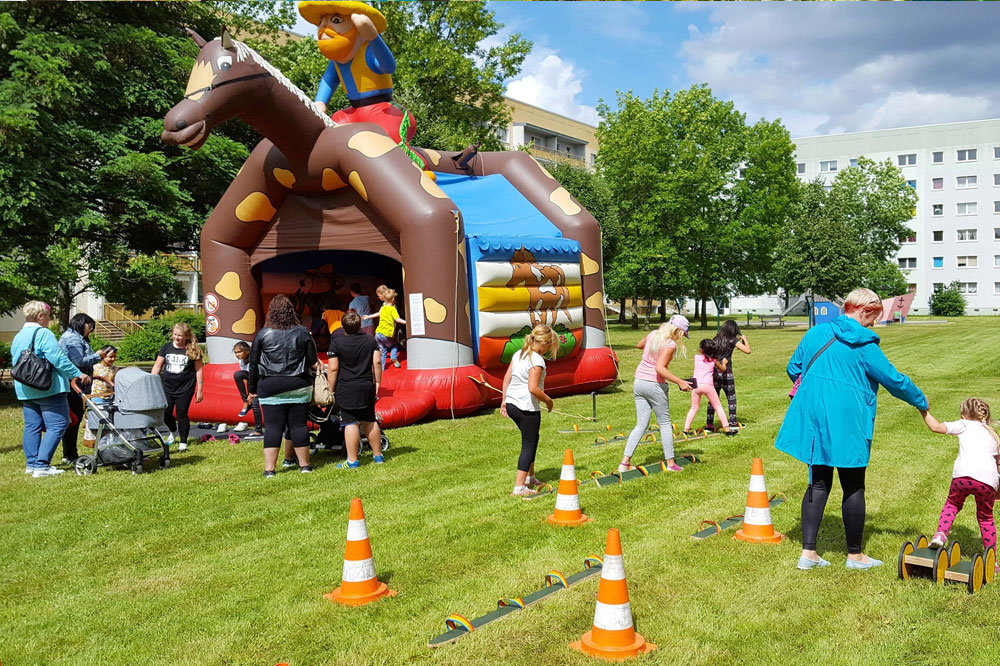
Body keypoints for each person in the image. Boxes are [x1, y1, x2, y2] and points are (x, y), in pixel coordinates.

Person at [774, 287, 927, 571]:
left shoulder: (814, 334)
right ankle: (855, 556)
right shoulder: (866, 345)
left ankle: (808, 554)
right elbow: (895, 380)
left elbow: (794, 368)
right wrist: (922, 403)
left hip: (815, 416)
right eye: (874, 318)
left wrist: (817, 386)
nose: (874, 324)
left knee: (818, 480)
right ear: (864, 310)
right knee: (853, 483)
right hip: (849, 418)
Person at [12, 301, 89, 477]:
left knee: (32, 426)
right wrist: (77, 373)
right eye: (48, 316)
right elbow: (58, 359)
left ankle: (32, 463)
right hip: (47, 387)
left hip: (25, 388)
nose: (49, 319)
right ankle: (42, 465)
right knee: (59, 423)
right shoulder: (43, 333)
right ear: (40, 316)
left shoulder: (19, 335)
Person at [247, 294, 318, 478]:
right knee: (299, 425)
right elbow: (312, 360)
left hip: (270, 385)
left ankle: (270, 469)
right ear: (291, 312)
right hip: (299, 384)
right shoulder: (302, 332)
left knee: (272, 427)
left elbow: (253, 365)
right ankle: (305, 466)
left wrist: (252, 390)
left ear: (271, 312)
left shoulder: (263, 334)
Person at [922, 399, 1000, 559]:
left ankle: (940, 535)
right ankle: (992, 560)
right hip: (987, 481)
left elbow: (935, 427)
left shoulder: (963, 425)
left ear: (964, 414)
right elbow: (998, 465)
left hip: (962, 477)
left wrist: (923, 410)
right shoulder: (993, 435)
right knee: (986, 517)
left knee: (952, 504)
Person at [619, 315, 693, 474]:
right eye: (682, 334)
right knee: (665, 423)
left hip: (639, 382)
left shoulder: (654, 335)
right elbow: (660, 368)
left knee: (641, 425)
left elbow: (640, 345)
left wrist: (653, 345)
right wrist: (680, 382)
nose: (682, 338)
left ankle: (624, 463)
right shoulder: (670, 344)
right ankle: (671, 463)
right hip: (655, 385)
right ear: (677, 330)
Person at [500, 324, 558, 498]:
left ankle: (530, 477)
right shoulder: (537, 360)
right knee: (528, 444)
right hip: (526, 406)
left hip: (512, 403)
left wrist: (504, 401)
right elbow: (533, 388)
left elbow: (506, 378)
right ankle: (519, 487)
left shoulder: (519, 354)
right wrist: (548, 401)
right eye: (550, 345)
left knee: (532, 438)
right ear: (545, 342)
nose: (549, 349)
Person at [327, 311, 384, 469]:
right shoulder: (370, 340)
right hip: (366, 385)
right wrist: (378, 381)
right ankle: (378, 455)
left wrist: (330, 389)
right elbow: (377, 362)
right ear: (360, 325)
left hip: (346, 387)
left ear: (342, 326)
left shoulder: (336, 343)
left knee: (350, 422)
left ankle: (352, 460)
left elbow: (333, 369)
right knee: (369, 420)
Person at [59, 313, 107, 463]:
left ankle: (69, 453)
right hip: (74, 385)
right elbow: (79, 361)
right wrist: (98, 356)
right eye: (89, 326)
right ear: (80, 323)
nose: (90, 330)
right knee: (73, 419)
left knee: (75, 419)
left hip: (80, 385)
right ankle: (70, 455)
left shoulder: (77, 338)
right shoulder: (72, 338)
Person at [151, 323, 204, 452]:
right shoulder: (166, 347)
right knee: (165, 412)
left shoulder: (192, 349)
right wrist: (151, 382)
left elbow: (199, 370)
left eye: (179, 335)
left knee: (182, 413)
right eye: (174, 334)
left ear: (186, 336)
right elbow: (157, 366)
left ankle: (183, 441)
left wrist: (200, 389)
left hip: (185, 387)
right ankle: (173, 431)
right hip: (167, 386)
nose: (176, 337)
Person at [682, 339, 736, 436]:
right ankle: (727, 429)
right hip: (708, 386)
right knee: (718, 406)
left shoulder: (696, 357)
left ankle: (686, 429)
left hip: (696, 386)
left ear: (701, 350)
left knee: (694, 407)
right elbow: (723, 369)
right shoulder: (714, 361)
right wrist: (723, 362)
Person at [706, 320, 750, 431]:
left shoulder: (715, 339)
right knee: (731, 397)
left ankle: (709, 424)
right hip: (727, 372)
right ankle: (733, 422)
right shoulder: (733, 340)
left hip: (715, 372)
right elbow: (747, 350)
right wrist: (745, 340)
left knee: (713, 398)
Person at [83, 345, 119, 449]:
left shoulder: (115, 369)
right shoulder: (95, 367)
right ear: (103, 356)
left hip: (110, 397)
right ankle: (95, 441)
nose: (113, 359)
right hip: (97, 396)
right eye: (110, 356)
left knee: (109, 420)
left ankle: (108, 441)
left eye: (114, 357)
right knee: (97, 420)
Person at [364, 287, 405, 369]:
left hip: (378, 334)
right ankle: (394, 357)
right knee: (394, 346)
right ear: (393, 299)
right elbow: (397, 319)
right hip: (386, 334)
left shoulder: (383, 307)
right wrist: (406, 322)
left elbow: (378, 314)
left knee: (383, 351)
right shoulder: (393, 308)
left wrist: (368, 317)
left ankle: (382, 369)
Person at [233, 341, 264, 438]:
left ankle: (258, 430)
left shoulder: (254, 359)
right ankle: (245, 402)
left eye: (239, 352)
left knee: (255, 403)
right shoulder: (241, 361)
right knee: (238, 374)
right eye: (235, 352)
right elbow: (248, 378)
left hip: (261, 379)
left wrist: (252, 393)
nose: (237, 355)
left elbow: (254, 375)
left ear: (247, 351)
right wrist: (247, 397)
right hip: (252, 379)